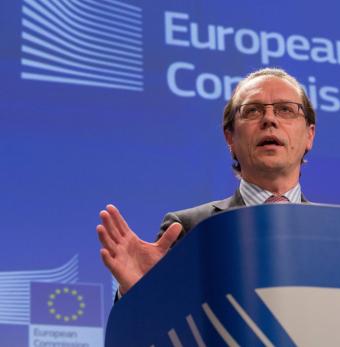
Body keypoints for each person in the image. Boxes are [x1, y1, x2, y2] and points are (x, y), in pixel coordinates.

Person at [96, 68, 316, 297]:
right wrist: (140, 296)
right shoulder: (190, 229)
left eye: (286, 110)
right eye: (252, 111)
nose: (269, 120)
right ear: (230, 137)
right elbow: (155, 328)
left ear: (309, 135)